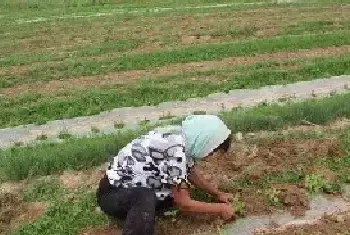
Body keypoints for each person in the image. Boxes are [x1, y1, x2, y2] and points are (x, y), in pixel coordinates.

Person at [96, 115, 235, 235]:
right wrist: (220, 208)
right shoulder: (175, 150)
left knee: (178, 190)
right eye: (211, 151)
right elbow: (184, 204)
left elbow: (190, 171)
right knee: (147, 196)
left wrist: (217, 194)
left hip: (131, 188)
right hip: (112, 195)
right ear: (204, 141)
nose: (209, 155)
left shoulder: (182, 138)